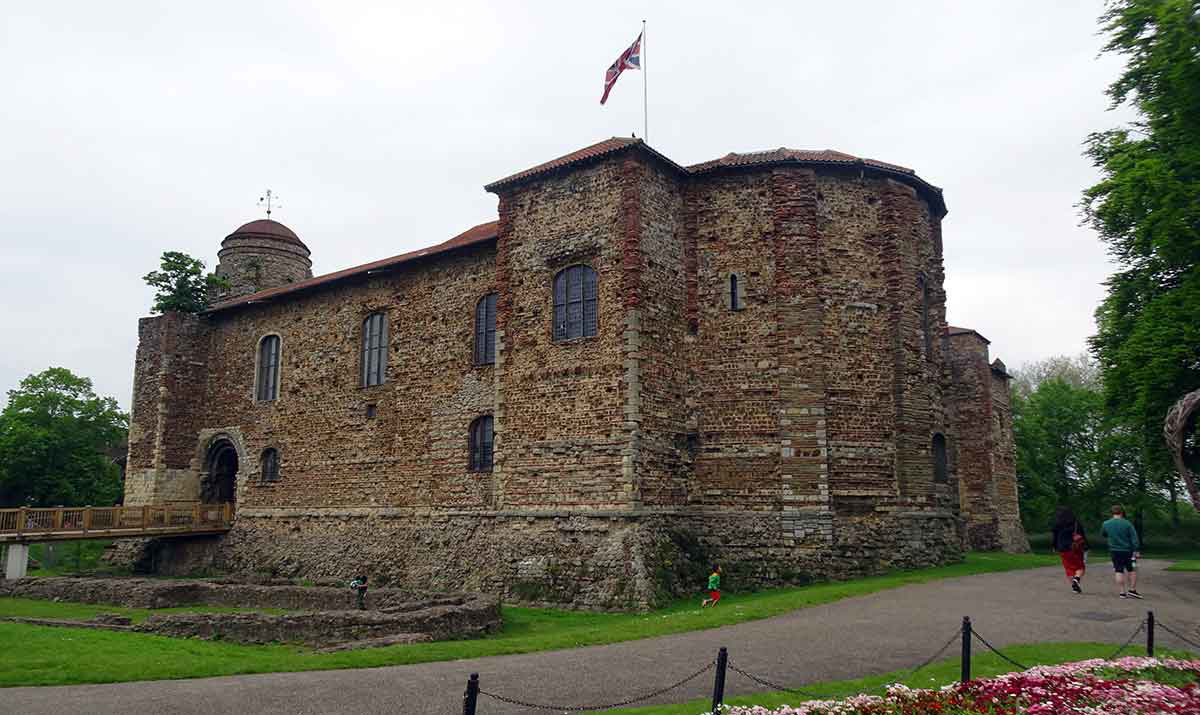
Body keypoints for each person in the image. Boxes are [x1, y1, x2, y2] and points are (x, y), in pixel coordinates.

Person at [1101, 504, 1142, 599]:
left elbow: (1104, 534)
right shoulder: (1127, 523)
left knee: (1118, 570)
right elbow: (1134, 538)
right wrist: (1136, 549)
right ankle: (1132, 590)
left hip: (1114, 550)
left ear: (1112, 513)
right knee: (1132, 570)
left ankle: (1122, 592)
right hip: (1128, 551)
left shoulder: (1106, 523)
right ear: (1122, 512)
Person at [1051, 506, 1088, 593]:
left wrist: (1054, 546)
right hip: (1075, 548)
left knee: (1068, 568)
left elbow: (1054, 537)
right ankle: (1076, 579)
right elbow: (1082, 535)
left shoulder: (1057, 524)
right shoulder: (1076, 523)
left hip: (1062, 549)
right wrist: (1086, 546)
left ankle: (1074, 586)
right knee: (1080, 567)